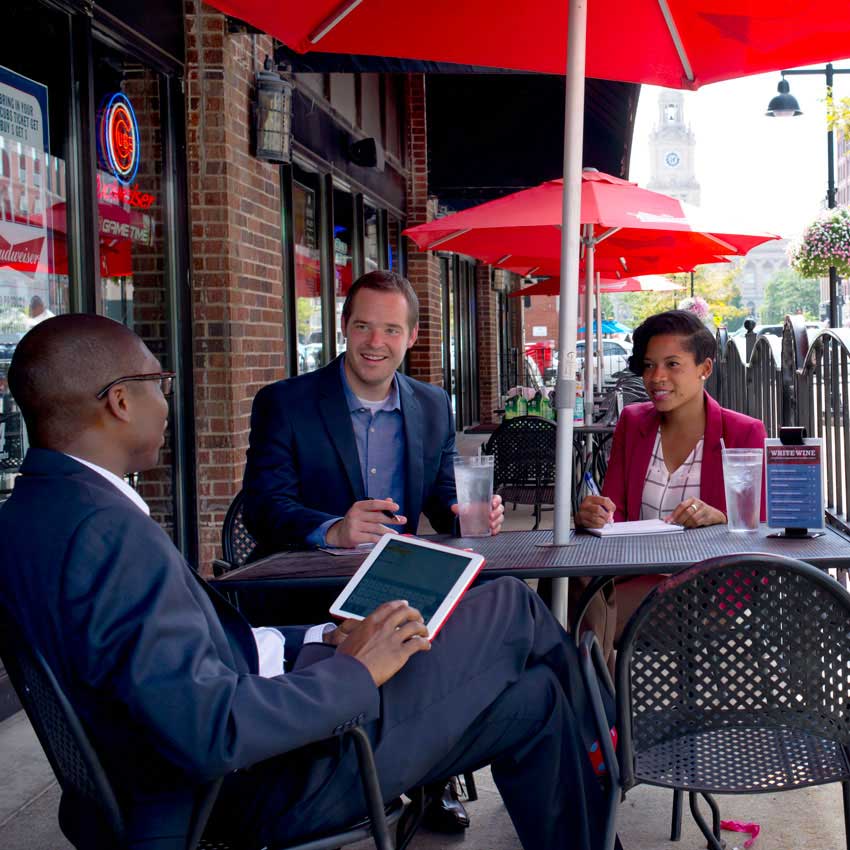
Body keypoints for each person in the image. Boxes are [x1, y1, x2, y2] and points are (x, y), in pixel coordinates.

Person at [0, 314, 613, 850]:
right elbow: (211, 729)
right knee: (507, 605)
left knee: (534, 700)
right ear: (119, 402)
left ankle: (597, 757)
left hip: (202, 767)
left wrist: (320, 635)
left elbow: (185, 666)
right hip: (260, 785)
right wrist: (356, 670)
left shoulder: (37, 512)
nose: (169, 400)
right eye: (161, 385)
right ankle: (610, 738)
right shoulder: (104, 534)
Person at [242, 270, 504, 558]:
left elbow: (442, 494)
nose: (375, 341)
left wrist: (467, 514)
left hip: (402, 576)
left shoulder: (434, 405)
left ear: (411, 336)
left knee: (509, 593)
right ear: (344, 325)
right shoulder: (284, 403)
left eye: (392, 329)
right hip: (310, 582)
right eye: (363, 326)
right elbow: (264, 508)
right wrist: (334, 530)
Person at [575, 310, 767, 658]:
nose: (656, 377)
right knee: (569, 585)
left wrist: (721, 516)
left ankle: (592, 699)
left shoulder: (742, 432)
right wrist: (593, 514)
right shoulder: (633, 423)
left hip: (708, 587)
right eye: (648, 365)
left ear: (704, 369)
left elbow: (761, 528)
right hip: (630, 574)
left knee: (585, 619)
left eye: (672, 364)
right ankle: (594, 695)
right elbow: (612, 512)